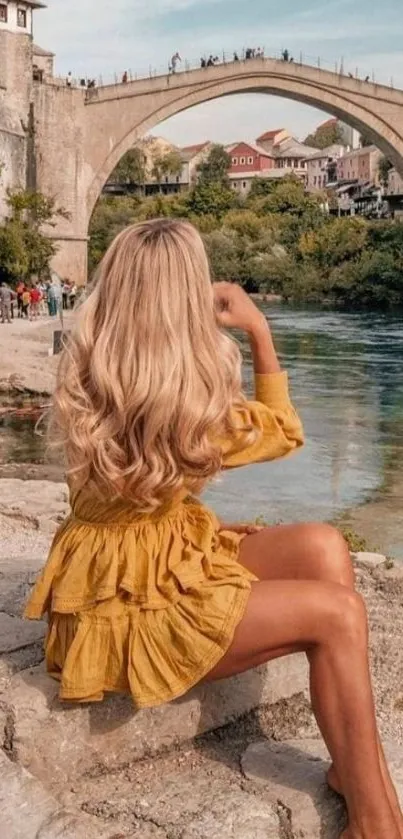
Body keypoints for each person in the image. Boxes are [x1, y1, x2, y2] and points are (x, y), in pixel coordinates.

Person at [24, 219, 403, 839]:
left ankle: (352, 768)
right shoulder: (187, 402)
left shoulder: (95, 371)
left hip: (143, 565)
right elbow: (285, 430)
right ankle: (377, 820)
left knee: (324, 544)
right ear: (187, 296)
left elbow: (134, 508)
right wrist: (257, 328)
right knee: (338, 614)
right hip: (127, 612)